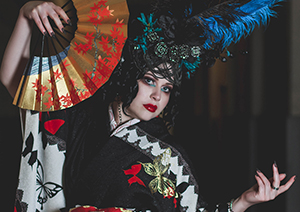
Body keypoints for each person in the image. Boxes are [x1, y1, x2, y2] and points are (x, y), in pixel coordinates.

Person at [0, 0, 296, 212]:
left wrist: (244, 201)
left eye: (167, 88)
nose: (157, 96)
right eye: (149, 81)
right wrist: (27, 13)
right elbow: (14, 78)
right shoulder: (78, 114)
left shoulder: (168, 157)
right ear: (128, 77)